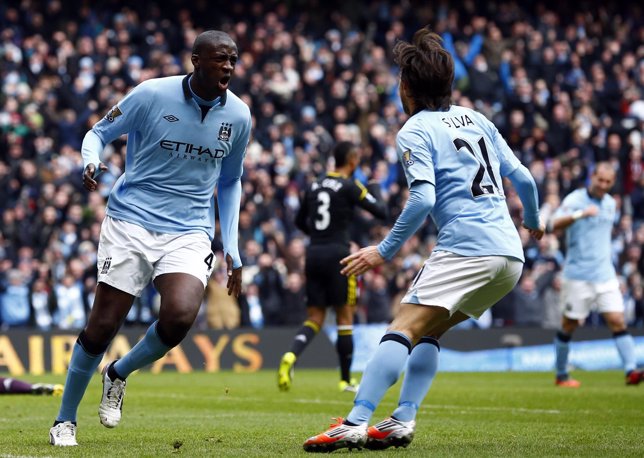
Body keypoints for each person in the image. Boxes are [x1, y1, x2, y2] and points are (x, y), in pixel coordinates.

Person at [302, 28, 544, 452]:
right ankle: (402, 418)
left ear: (407, 87)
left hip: (467, 248)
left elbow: (423, 198)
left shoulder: (414, 129)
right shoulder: (479, 119)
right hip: (509, 254)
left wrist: (383, 250)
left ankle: (354, 421)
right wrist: (535, 221)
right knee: (429, 332)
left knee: (401, 327)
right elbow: (523, 177)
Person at [48, 30, 251, 447]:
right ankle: (64, 421)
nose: (228, 67)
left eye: (233, 60)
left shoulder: (240, 116)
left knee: (179, 317)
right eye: (220, 59)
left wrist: (231, 245)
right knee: (102, 325)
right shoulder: (150, 95)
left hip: (190, 229)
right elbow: (97, 133)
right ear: (196, 60)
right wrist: (91, 161)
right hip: (131, 221)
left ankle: (118, 373)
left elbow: (231, 182)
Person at [278, 141, 387, 393]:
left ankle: (291, 356)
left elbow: (298, 220)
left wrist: (318, 235)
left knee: (315, 317)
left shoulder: (314, 185)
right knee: (344, 317)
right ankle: (346, 379)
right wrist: (375, 187)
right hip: (339, 255)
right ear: (352, 161)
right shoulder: (349, 186)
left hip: (313, 253)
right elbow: (380, 211)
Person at [550, 163, 643, 388]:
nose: (603, 185)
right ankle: (561, 374)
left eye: (608, 182)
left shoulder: (611, 204)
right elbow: (554, 224)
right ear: (592, 177)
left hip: (605, 275)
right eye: (600, 180)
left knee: (617, 320)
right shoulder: (575, 199)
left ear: (612, 183)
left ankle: (631, 370)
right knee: (569, 324)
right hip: (577, 275)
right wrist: (581, 214)